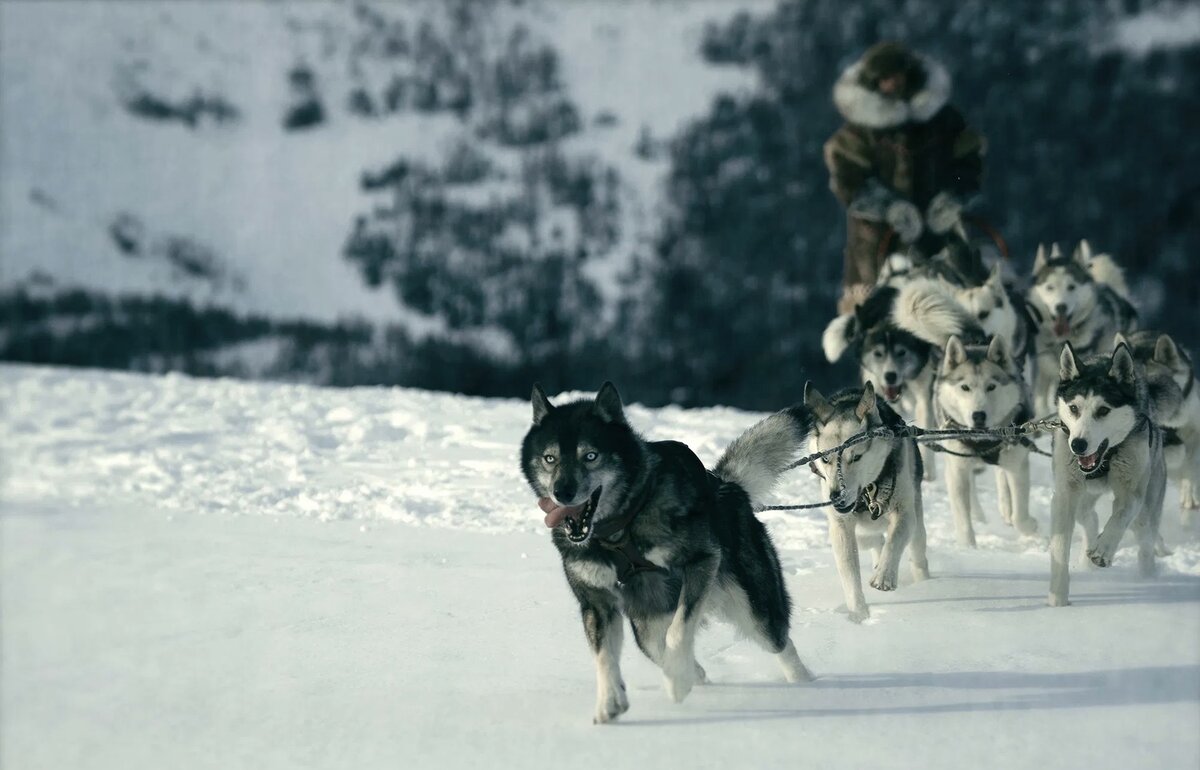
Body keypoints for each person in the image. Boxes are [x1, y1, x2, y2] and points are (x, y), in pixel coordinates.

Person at [824, 42, 986, 313]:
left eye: (897, 76)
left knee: (968, 303)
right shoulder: (858, 133)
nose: (892, 84)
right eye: (885, 79)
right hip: (876, 245)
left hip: (939, 231)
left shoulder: (944, 121)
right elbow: (848, 180)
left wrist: (953, 197)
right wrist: (889, 208)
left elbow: (969, 162)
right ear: (873, 83)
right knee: (872, 315)